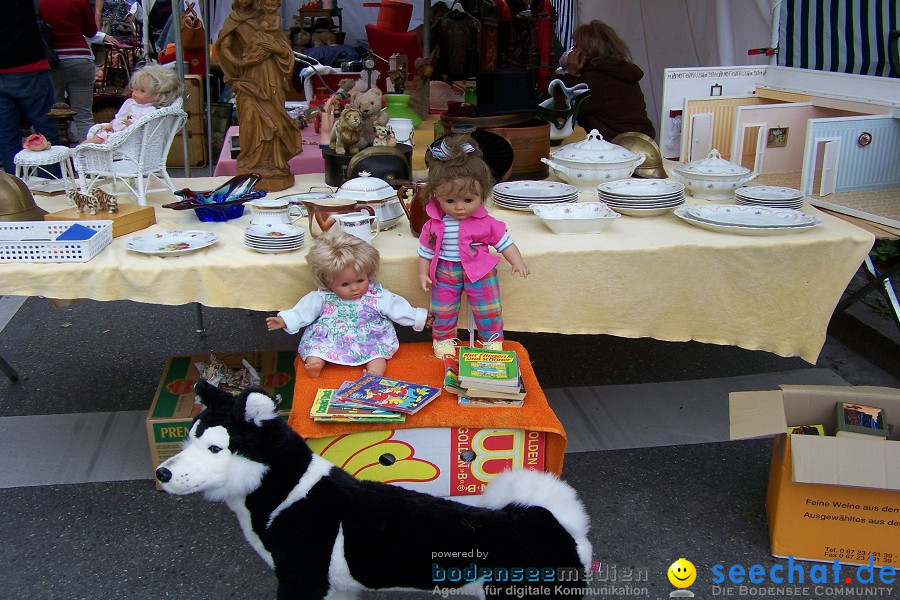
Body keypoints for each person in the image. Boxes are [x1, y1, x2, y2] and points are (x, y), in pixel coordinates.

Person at [417, 135, 530, 359]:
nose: (459, 208)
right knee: (443, 309)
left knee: (488, 308)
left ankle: (491, 340)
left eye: (468, 200)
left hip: (480, 271)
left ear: (482, 195)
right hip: (445, 271)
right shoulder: (434, 224)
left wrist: (517, 261)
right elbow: (426, 251)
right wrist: (422, 272)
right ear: (436, 196)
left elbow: (504, 242)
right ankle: (443, 339)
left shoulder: (485, 223)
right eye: (449, 201)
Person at [267, 232, 430, 379]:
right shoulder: (322, 297)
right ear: (327, 281)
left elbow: (398, 308)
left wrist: (419, 317)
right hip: (331, 337)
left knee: (378, 354)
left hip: (368, 337)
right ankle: (315, 364)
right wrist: (284, 320)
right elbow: (303, 312)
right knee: (316, 348)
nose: (354, 288)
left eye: (360, 280)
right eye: (344, 284)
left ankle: (375, 372)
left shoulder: (377, 295)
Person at [217, 0, 302, 189]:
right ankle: (251, 161)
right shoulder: (233, 20)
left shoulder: (268, 18)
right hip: (248, 77)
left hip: (270, 75)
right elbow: (224, 47)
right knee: (249, 117)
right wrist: (239, 63)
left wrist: (275, 49)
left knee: (273, 118)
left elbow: (286, 51)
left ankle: (274, 162)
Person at [560, 19, 656, 141]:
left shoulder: (594, 79)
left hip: (617, 150)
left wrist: (571, 74)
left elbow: (563, 111)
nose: (572, 50)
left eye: (576, 46)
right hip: (643, 145)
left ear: (583, 51)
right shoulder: (621, 71)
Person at [40, 0, 118, 143]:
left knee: (53, 112)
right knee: (83, 114)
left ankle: (59, 155)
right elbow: (91, 31)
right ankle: (87, 154)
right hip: (80, 58)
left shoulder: (39, 3)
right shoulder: (79, 1)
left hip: (52, 58)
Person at [0, 1, 60, 174]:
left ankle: (17, 189)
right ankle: (51, 182)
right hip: (29, 65)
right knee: (46, 128)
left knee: (6, 136)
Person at [83, 64, 183, 144]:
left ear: (158, 95)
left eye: (142, 91)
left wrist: (130, 125)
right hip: (114, 134)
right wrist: (111, 124)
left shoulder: (151, 111)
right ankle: (76, 159)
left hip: (126, 141)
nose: (135, 93)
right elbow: (119, 117)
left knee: (90, 146)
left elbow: (143, 131)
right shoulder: (130, 103)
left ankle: (78, 159)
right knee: (87, 144)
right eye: (135, 89)